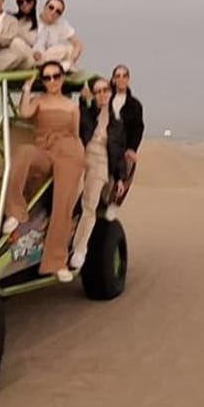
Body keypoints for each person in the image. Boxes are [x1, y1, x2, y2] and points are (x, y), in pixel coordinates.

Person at [3, 61, 85, 282]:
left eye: (56, 76)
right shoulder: (39, 102)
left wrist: (80, 162)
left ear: (62, 77)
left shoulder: (71, 106)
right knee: (23, 153)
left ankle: (57, 262)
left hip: (69, 153)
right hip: (45, 149)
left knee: (63, 205)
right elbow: (24, 112)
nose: (52, 81)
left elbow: (75, 134)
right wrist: (27, 89)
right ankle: (15, 210)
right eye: (47, 78)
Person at [69, 77, 128, 272]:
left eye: (105, 90)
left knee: (90, 204)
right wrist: (82, 100)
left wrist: (120, 178)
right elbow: (79, 125)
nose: (102, 94)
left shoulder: (117, 121)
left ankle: (79, 248)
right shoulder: (87, 113)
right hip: (79, 156)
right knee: (68, 199)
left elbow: (118, 152)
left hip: (101, 161)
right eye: (98, 91)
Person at [105, 64, 144, 220]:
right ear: (113, 79)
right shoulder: (106, 99)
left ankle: (115, 204)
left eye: (124, 75)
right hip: (106, 142)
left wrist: (132, 148)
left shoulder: (134, 105)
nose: (121, 79)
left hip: (124, 145)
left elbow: (138, 127)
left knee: (128, 165)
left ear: (128, 79)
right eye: (118, 76)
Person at [30, 0, 83, 71]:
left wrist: (71, 61)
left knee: (69, 49)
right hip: (30, 56)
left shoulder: (61, 24)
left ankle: (65, 68)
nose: (53, 12)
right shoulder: (32, 18)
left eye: (58, 11)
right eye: (51, 7)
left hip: (49, 56)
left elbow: (78, 45)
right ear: (45, 7)